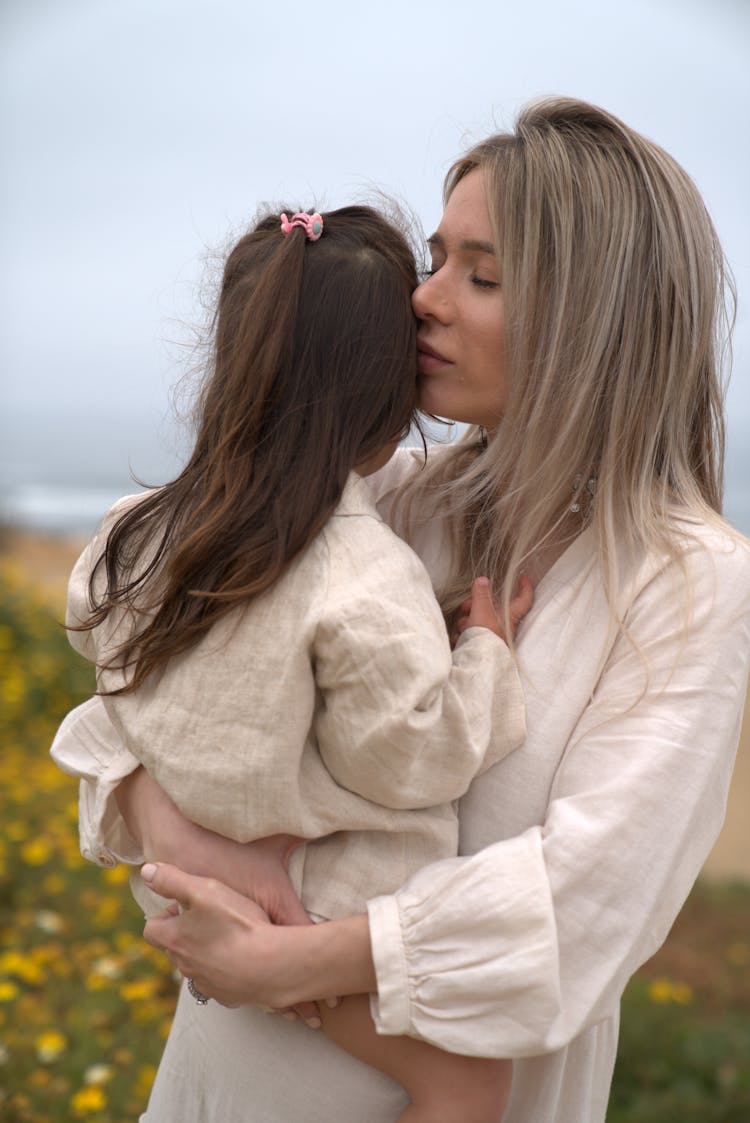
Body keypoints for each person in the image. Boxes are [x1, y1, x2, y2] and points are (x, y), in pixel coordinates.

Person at [51, 97, 750, 1123]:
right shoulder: (386, 499)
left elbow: (586, 911)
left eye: (485, 274)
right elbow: (146, 684)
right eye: (434, 259)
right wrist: (187, 839)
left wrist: (286, 957)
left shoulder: (690, 581)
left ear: (598, 318)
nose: (422, 299)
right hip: (224, 1070)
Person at [55, 203, 534, 1121]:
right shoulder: (364, 576)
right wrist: (484, 656)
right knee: (475, 1084)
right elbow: (413, 755)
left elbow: (96, 629)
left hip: (186, 889)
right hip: (322, 915)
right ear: (392, 392)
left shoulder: (138, 529)